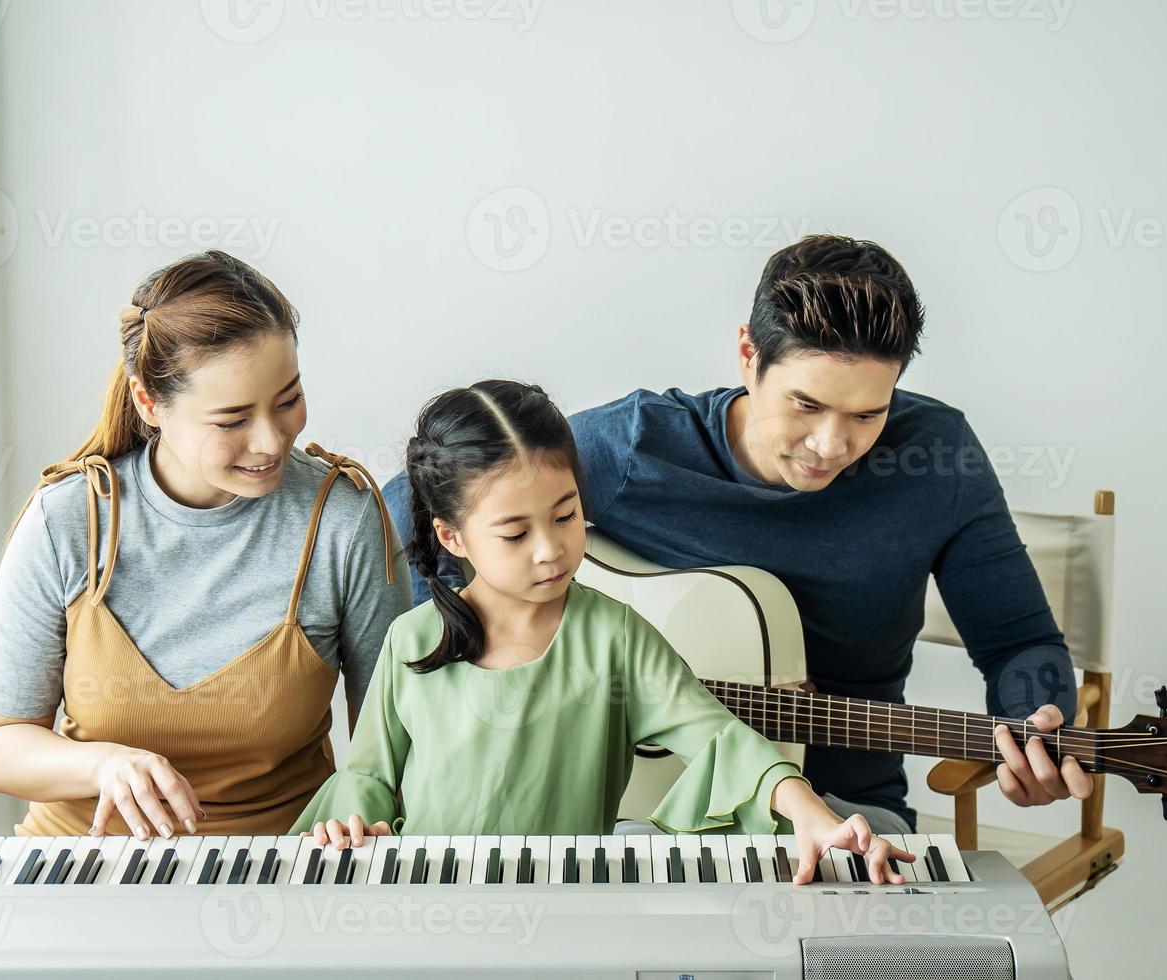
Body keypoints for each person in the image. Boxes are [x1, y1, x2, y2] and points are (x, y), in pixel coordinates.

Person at [385, 236, 1092, 832]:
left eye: (867, 415)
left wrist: (1039, 723)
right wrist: (467, 664)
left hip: (844, 809)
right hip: (635, 805)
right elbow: (416, 498)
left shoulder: (939, 459)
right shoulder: (635, 451)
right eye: (805, 404)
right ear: (748, 354)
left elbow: (1019, 642)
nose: (830, 444)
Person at [291, 380, 914, 885]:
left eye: (566, 516)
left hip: (566, 902)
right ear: (452, 536)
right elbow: (369, 776)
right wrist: (349, 826)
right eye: (515, 533)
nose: (550, 551)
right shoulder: (411, 639)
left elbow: (718, 737)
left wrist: (811, 813)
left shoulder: (614, 636)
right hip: (425, 895)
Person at [0, 250, 411, 839]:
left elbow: (388, 750)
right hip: (81, 861)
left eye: (288, 400)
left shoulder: (343, 521)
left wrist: (362, 821)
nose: (271, 441)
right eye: (232, 420)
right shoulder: (68, 520)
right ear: (150, 403)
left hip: (279, 866)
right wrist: (103, 763)